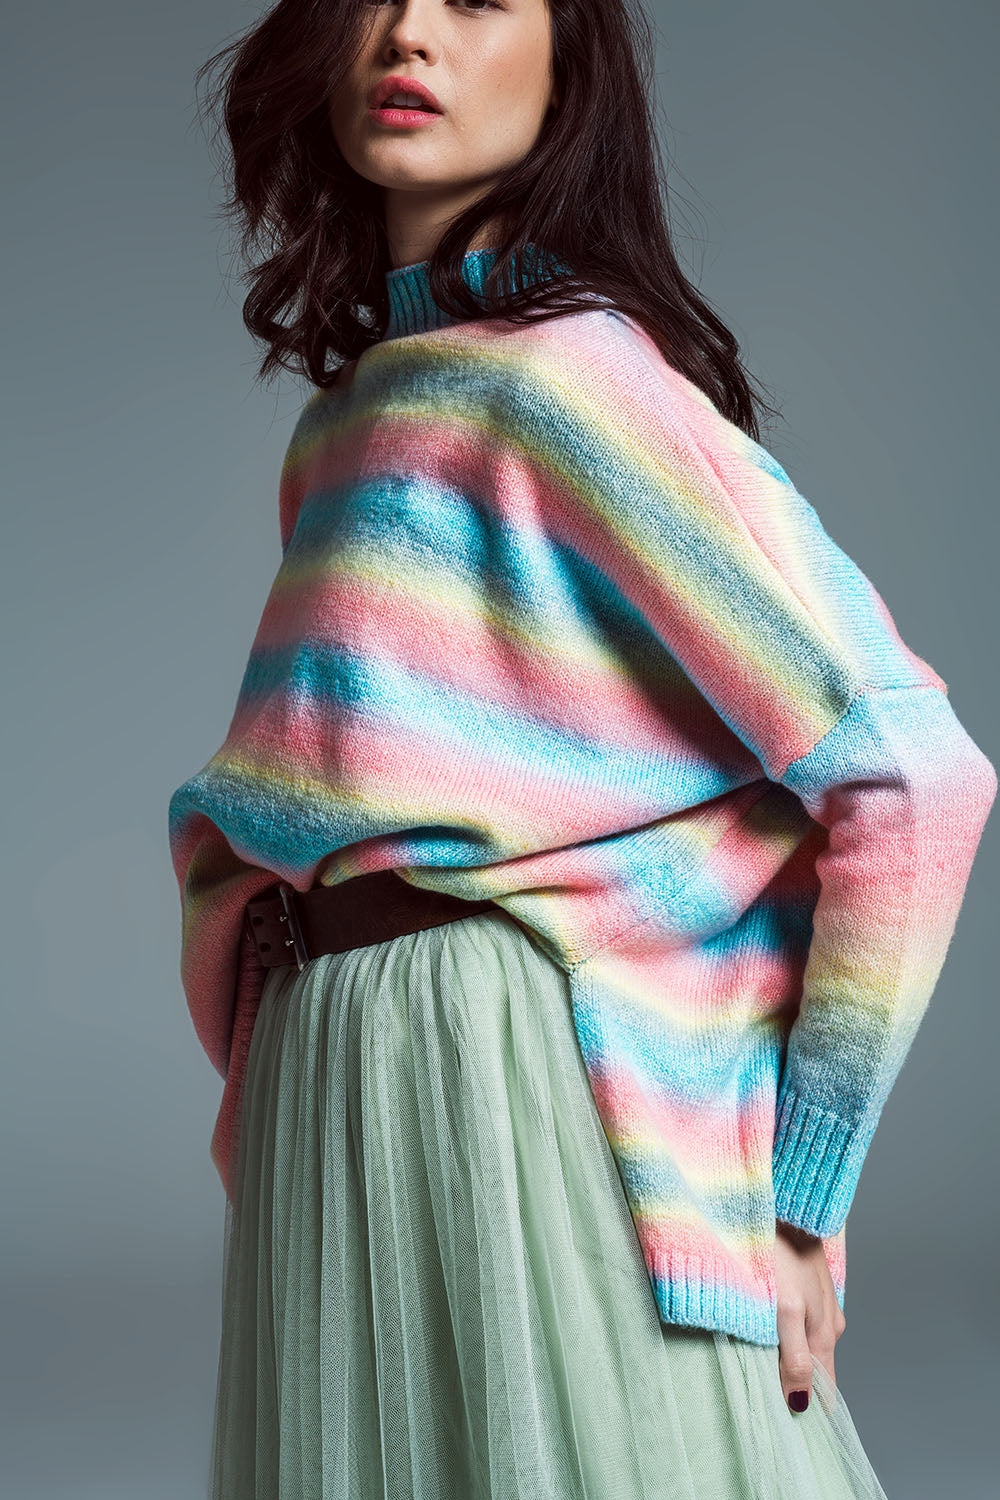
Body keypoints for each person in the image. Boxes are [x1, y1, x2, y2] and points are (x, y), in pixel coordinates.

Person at [168, 1, 997, 1495]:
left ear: (572, 71)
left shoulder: (571, 382)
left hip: (513, 1079)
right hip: (344, 1073)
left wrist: (802, 1194)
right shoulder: (348, 421)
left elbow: (911, 770)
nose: (406, 33)